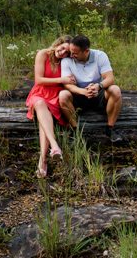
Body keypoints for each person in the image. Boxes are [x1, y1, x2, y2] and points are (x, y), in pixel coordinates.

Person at [25, 35, 76, 178]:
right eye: (63, 48)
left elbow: (71, 79)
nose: (63, 53)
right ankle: (54, 146)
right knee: (40, 103)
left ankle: (43, 161)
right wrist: (62, 79)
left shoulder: (66, 62)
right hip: (40, 91)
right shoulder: (43, 54)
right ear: (58, 43)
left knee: (44, 121)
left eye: (67, 52)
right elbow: (38, 79)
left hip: (55, 95)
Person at [58, 34, 124, 142]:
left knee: (115, 90)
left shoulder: (100, 55)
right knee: (63, 95)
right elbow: (67, 85)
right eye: (71, 51)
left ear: (86, 51)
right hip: (78, 94)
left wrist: (99, 86)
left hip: (98, 93)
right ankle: (75, 130)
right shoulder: (67, 60)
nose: (71, 54)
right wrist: (83, 91)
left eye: (75, 53)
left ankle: (110, 128)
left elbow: (110, 78)